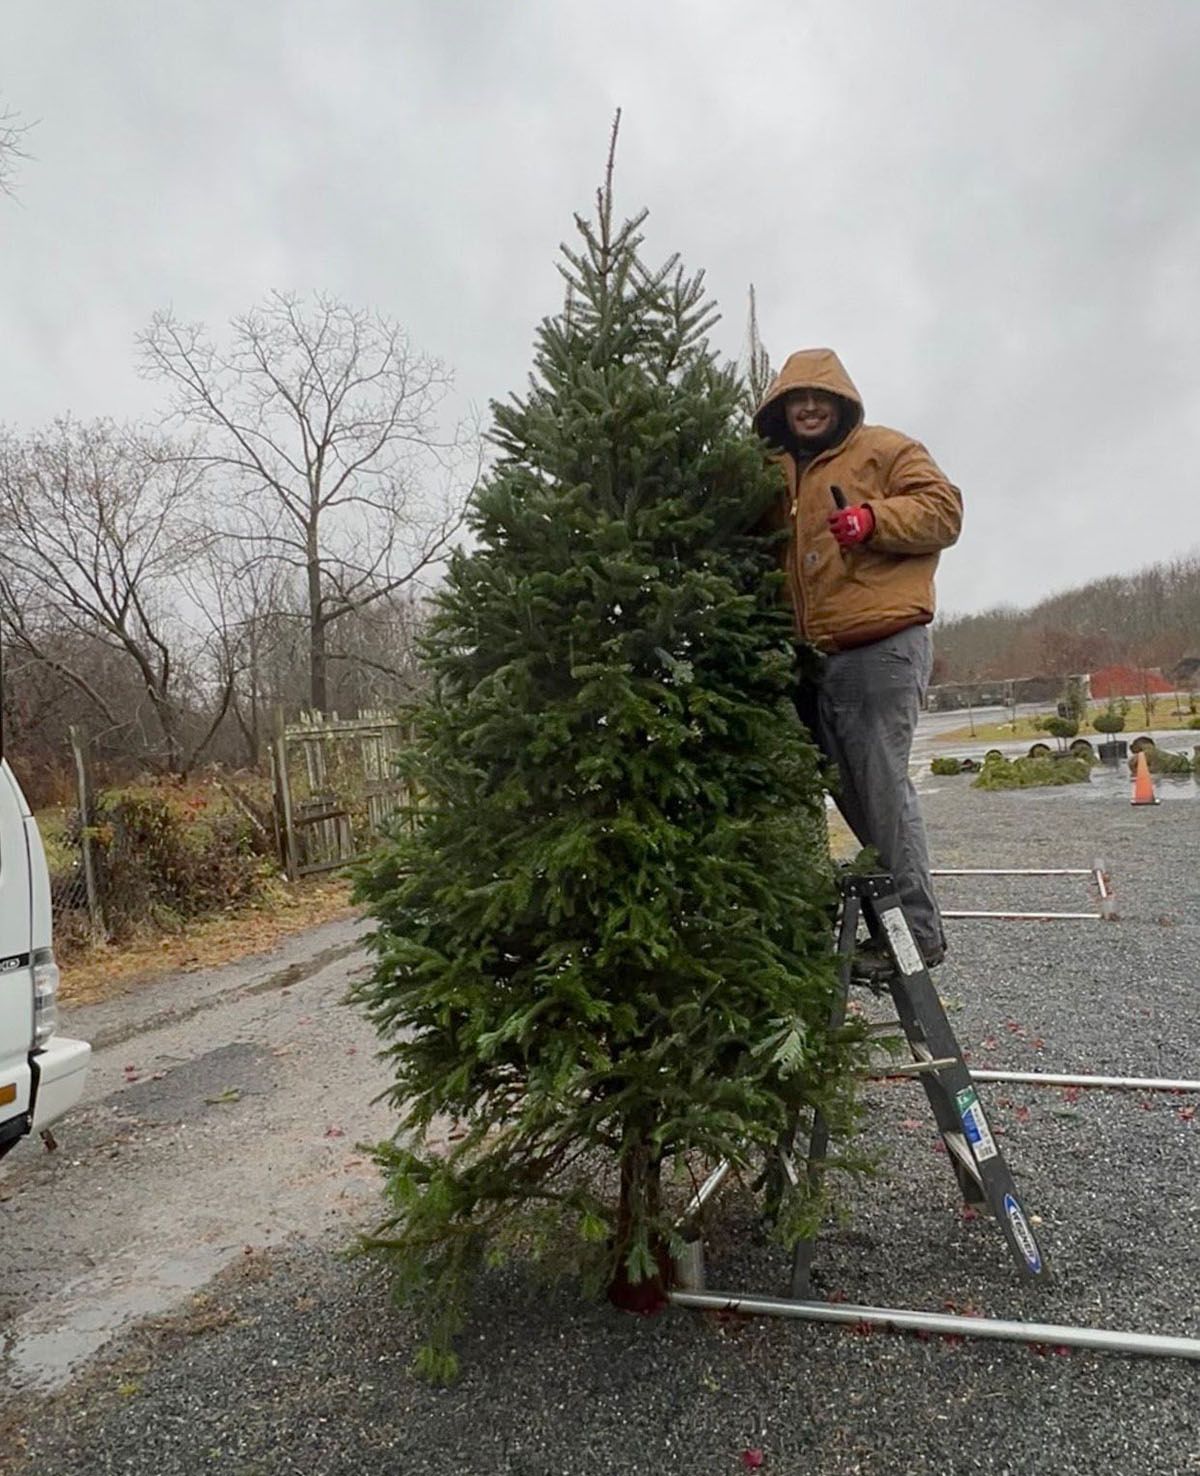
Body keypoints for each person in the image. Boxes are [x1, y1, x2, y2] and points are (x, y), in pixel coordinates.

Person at [752, 348, 962, 968]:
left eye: (821, 398)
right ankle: (893, 929)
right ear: (782, 408)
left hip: (881, 645)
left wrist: (873, 519)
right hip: (812, 658)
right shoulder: (776, 472)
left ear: (842, 403)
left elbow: (945, 510)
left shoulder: (885, 449)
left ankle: (918, 934)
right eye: (798, 398)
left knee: (882, 789)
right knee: (852, 796)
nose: (810, 407)